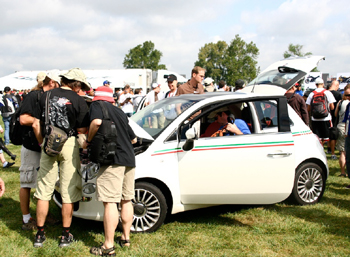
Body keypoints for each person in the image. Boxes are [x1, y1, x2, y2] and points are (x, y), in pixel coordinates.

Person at [32, 68, 90, 248]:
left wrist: (42, 142)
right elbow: (82, 129)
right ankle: (65, 235)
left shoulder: (45, 95)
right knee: (68, 191)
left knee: (43, 190)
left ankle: (40, 234)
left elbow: (36, 122)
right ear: (77, 84)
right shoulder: (79, 100)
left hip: (49, 142)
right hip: (69, 142)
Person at [86, 86, 137, 256]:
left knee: (110, 202)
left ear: (97, 97)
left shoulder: (97, 106)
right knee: (126, 199)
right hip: (129, 158)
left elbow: (96, 122)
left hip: (112, 159)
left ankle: (108, 245)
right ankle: (125, 238)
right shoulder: (119, 111)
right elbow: (134, 138)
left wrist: (89, 139)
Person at [19, 70, 60, 231]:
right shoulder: (32, 96)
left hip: (44, 146)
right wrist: (38, 123)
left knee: (44, 183)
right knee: (27, 182)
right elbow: (23, 119)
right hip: (31, 146)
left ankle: (44, 213)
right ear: (51, 83)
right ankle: (26, 218)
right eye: (57, 85)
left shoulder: (49, 98)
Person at [306, 78, 335, 145]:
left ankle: (319, 149)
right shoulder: (327, 93)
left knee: (317, 137)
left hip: (315, 119)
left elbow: (308, 108)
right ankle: (329, 152)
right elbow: (332, 107)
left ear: (315, 84)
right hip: (326, 118)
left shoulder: (311, 94)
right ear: (323, 84)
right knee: (327, 136)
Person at [335, 84, 350, 178]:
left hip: (341, 127)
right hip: (346, 131)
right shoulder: (348, 105)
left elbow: (336, 114)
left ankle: (343, 172)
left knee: (343, 152)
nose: (348, 97)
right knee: (345, 154)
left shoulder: (340, 103)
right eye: (347, 95)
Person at [328, 80, 342, 159]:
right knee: (333, 133)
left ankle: (329, 148)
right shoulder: (338, 95)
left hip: (324, 115)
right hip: (334, 116)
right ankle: (332, 150)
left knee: (327, 133)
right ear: (336, 86)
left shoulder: (325, 92)